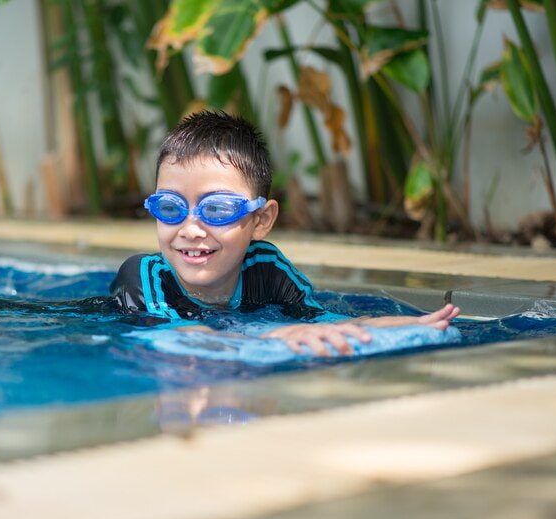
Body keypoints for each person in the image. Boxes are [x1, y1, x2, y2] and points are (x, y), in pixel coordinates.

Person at [110, 110, 459, 356]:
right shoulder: (144, 275)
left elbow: (328, 322)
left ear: (261, 220)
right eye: (170, 208)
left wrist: (406, 324)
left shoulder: (268, 267)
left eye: (217, 209)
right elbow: (182, 338)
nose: (190, 229)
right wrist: (276, 335)